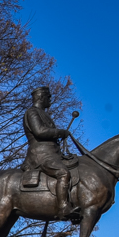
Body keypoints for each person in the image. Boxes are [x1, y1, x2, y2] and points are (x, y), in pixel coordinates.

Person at [21, 85, 78, 218]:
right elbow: (39, 132)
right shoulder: (32, 112)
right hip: (41, 155)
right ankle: (63, 207)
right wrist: (60, 132)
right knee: (63, 173)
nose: (50, 100)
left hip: (52, 153)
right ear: (41, 97)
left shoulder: (43, 114)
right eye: (48, 97)